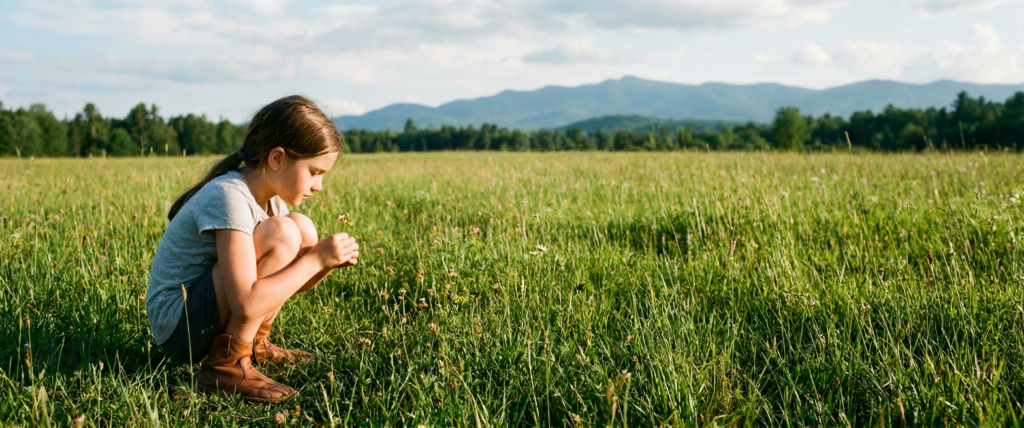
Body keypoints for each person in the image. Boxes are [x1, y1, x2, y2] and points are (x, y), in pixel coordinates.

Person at [146, 95, 360, 403]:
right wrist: (314, 259)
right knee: (285, 232)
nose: (319, 186)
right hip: (179, 325)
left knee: (302, 228)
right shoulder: (229, 197)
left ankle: (255, 347)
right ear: (276, 159)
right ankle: (225, 366)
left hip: (202, 314)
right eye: (314, 172)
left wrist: (323, 264)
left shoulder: (272, 200)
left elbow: (283, 284)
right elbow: (246, 302)